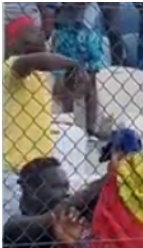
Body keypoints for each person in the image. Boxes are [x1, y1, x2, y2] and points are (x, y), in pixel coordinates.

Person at [3, 16, 85, 215]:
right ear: (14, 42)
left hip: (42, 170)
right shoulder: (11, 66)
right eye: (32, 31)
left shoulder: (42, 75)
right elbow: (34, 61)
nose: (40, 33)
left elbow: (72, 92)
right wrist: (73, 64)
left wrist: (76, 77)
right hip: (15, 169)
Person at [52, 3, 108, 137]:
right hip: (66, 25)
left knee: (91, 82)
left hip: (88, 26)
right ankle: (67, 126)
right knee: (66, 79)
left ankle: (90, 130)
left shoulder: (92, 15)